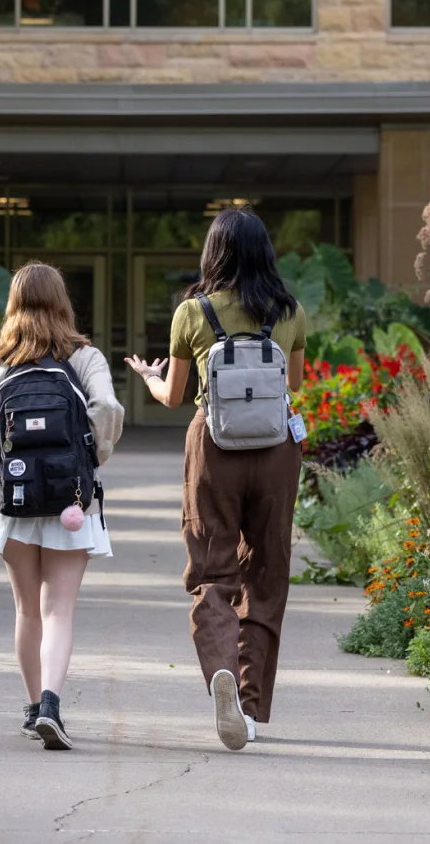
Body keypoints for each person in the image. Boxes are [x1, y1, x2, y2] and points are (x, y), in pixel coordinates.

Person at [124, 209, 305, 751]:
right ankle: (248, 710)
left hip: (214, 449)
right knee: (267, 573)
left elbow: (176, 397)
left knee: (212, 571)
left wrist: (152, 379)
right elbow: (294, 386)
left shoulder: (192, 312)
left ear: (213, 253)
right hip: (276, 451)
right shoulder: (290, 310)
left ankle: (221, 671)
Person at [0, 262, 125, 751]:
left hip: (12, 502)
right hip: (70, 502)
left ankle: (33, 706)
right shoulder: (84, 357)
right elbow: (108, 410)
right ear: (63, 301)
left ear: (13, 303)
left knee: (26, 610)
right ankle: (53, 706)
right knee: (59, 609)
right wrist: (89, 457)